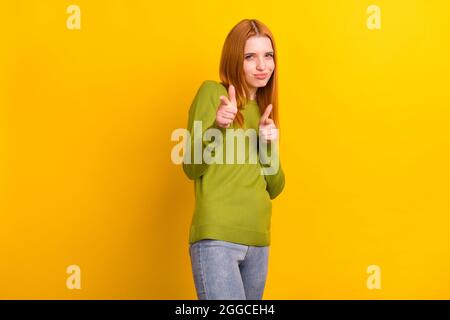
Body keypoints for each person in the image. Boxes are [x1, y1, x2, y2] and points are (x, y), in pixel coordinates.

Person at [182, 19, 285, 300]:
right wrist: (218, 127)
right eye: (250, 57)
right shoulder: (212, 94)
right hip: (218, 239)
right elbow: (191, 167)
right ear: (233, 59)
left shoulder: (264, 110)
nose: (262, 65)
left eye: (268, 55)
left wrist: (266, 144)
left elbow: (276, 187)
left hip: (258, 241)